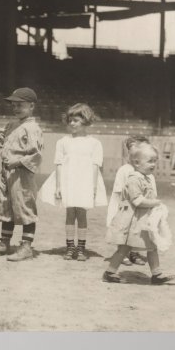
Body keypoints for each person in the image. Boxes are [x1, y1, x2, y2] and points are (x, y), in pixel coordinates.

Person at [0, 87, 43, 262]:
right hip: (6, 172)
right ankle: (4, 242)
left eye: (20, 105)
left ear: (31, 106)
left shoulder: (32, 128)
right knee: (6, 206)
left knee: (25, 207)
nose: (15, 108)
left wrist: (17, 162)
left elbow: (36, 155)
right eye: (13, 105)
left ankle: (26, 247)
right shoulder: (12, 124)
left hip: (22, 173)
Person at [103, 142, 175, 285]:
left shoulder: (146, 178)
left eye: (155, 161)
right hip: (132, 222)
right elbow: (137, 201)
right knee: (124, 248)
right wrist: (156, 203)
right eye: (150, 161)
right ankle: (110, 272)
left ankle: (157, 274)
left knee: (152, 246)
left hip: (142, 220)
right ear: (136, 162)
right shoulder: (134, 179)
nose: (153, 164)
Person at [53, 103, 107, 261]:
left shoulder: (94, 143)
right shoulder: (63, 141)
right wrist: (58, 186)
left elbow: (96, 166)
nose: (72, 123)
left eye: (76, 120)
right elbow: (58, 164)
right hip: (68, 181)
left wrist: (94, 186)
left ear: (86, 121)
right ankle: (70, 247)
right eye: (70, 120)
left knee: (82, 214)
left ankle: (81, 248)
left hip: (85, 183)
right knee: (70, 214)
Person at [106, 135, 152, 266]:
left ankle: (134, 253)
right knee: (123, 230)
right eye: (132, 148)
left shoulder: (146, 169)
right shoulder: (124, 170)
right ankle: (122, 254)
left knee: (136, 230)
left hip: (139, 204)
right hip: (125, 204)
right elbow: (118, 192)